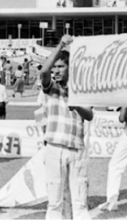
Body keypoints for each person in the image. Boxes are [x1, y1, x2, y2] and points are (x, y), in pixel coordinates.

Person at [40, 35, 93, 220]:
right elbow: (44, 71)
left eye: (61, 66)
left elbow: (90, 115)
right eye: (55, 67)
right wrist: (61, 45)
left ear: (70, 68)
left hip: (76, 147)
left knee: (80, 203)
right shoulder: (51, 87)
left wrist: (76, 104)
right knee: (54, 203)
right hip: (54, 146)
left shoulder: (81, 89)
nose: (56, 70)